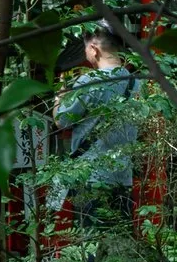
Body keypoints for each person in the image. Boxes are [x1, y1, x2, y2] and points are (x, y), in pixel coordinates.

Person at [54, 28, 142, 237]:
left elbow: (62, 121)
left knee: (93, 241)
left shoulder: (89, 82)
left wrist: (59, 100)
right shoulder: (136, 83)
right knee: (119, 243)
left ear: (94, 49)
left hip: (90, 177)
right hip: (123, 177)